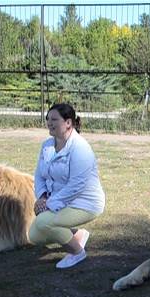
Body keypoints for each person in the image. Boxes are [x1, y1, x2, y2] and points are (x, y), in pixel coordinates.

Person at [30, 103, 106, 269]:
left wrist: (48, 205)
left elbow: (76, 186)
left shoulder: (81, 148)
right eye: (48, 119)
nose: (49, 123)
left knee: (44, 222)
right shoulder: (47, 146)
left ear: (68, 123)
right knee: (34, 236)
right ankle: (77, 234)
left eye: (54, 119)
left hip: (85, 203)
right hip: (59, 200)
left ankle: (77, 253)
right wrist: (42, 196)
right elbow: (39, 175)